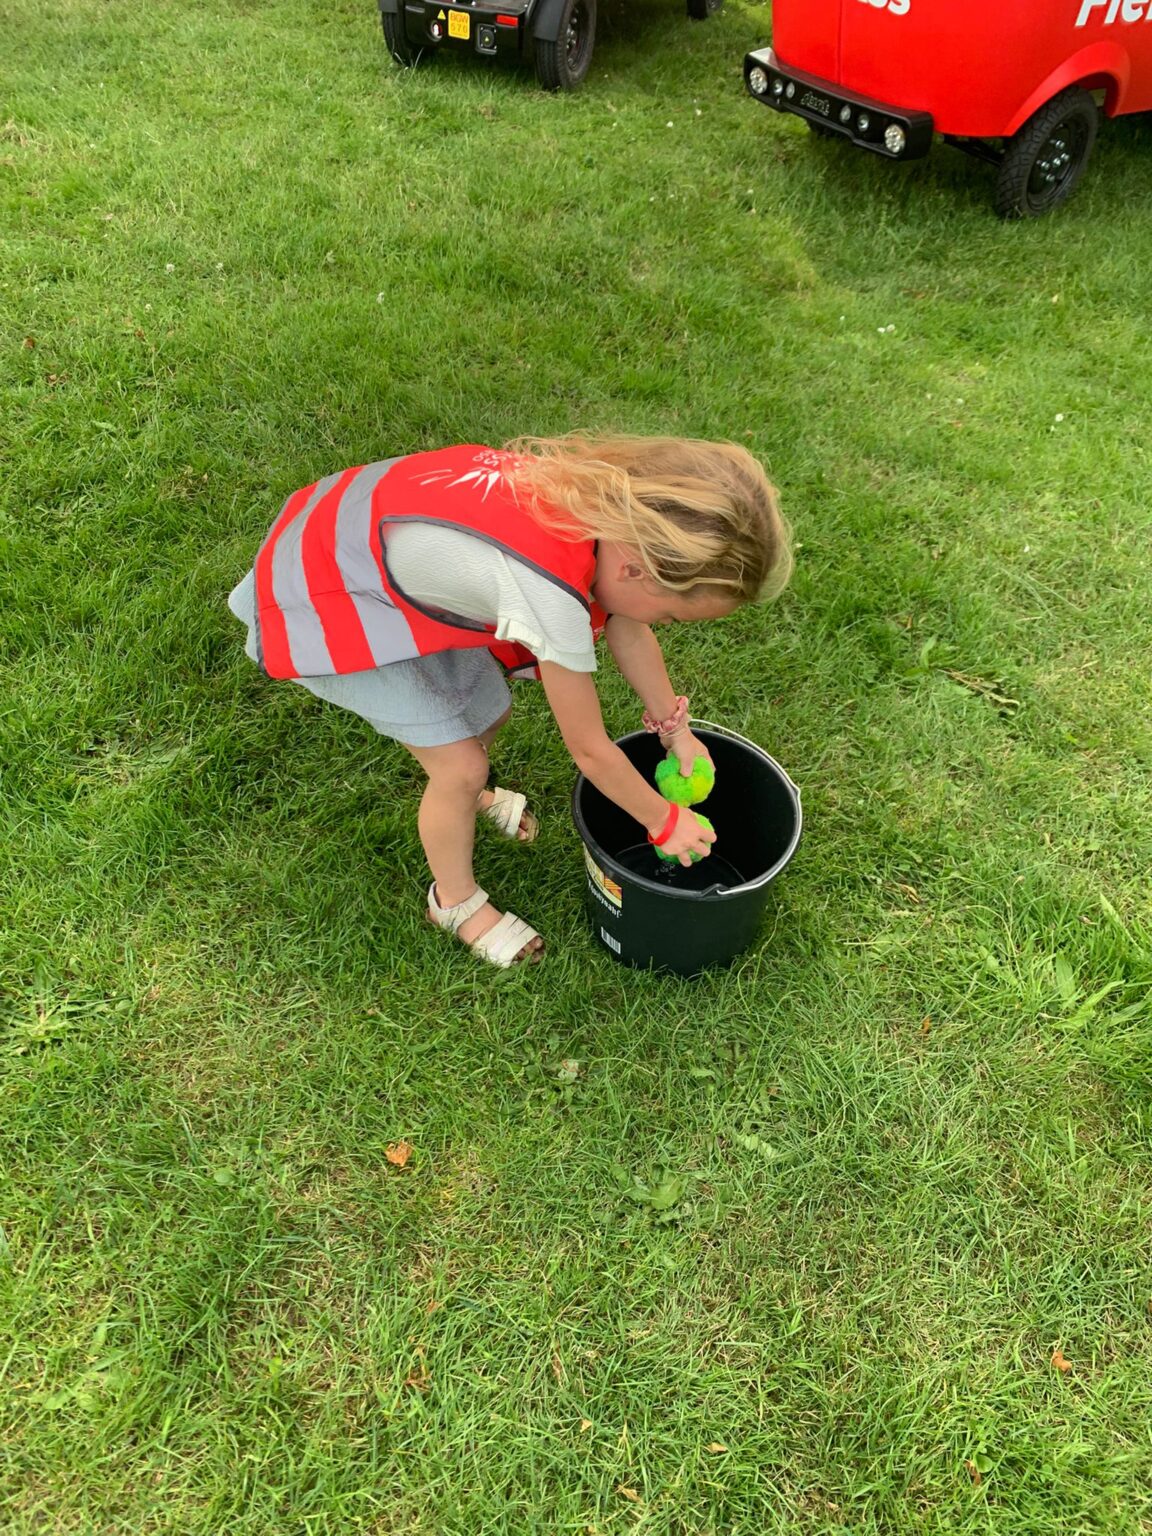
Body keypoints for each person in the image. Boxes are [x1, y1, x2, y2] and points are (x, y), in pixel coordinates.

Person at [228, 434, 792, 968]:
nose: (662, 625)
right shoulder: (549, 588)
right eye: (670, 614)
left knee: (489, 708)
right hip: (329, 589)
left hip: (365, 547)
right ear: (636, 568)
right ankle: (454, 903)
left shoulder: (607, 518)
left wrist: (676, 730)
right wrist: (664, 821)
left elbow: (627, 624)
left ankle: (473, 800)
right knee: (461, 766)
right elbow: (591, 750)